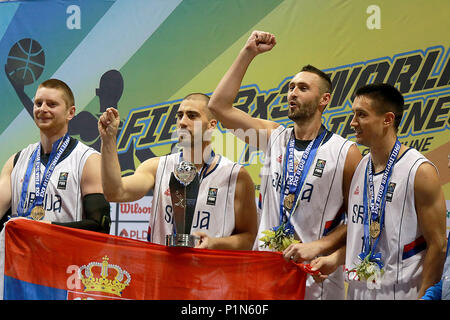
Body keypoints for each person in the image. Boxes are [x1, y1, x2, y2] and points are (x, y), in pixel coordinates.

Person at [208, 30, 362, 300]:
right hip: (266, 273)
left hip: (315, 279)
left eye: (303, 88)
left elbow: (358, 220)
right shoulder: (273, 137)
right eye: (291, 87)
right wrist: (248, 52)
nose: (293, 93)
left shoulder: (345, 152)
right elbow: (219, 106)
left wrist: (321, 247)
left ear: (324, 100)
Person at [310, 83, 447, 299]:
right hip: (358, 292)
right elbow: (364, 237)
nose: (353, 122)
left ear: (387, 120)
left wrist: (424, 296)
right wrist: (335, 258)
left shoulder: (420, 171)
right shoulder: (361, 168)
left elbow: (438, 245)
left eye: (361, 115)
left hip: (403, 293)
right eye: (353, 114)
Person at [98, 93, 257, 250]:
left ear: (212, 125)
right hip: (163, 273)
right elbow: (115, 192)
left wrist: (214, 243)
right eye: (179, 115)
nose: (182, 122)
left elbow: (249, 238)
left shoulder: (235, 175)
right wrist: (108, 140)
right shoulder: (157, 167)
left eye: (192, 116)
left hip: (209, 273)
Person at [0, 79, 111, 233]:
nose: (42, 109)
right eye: (38, 103)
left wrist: (42, 228)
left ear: (70, 113)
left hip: (64, 255)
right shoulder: (16, 161)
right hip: (20, 256)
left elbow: (100, 226)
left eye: (51, 104)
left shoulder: (88, 160)